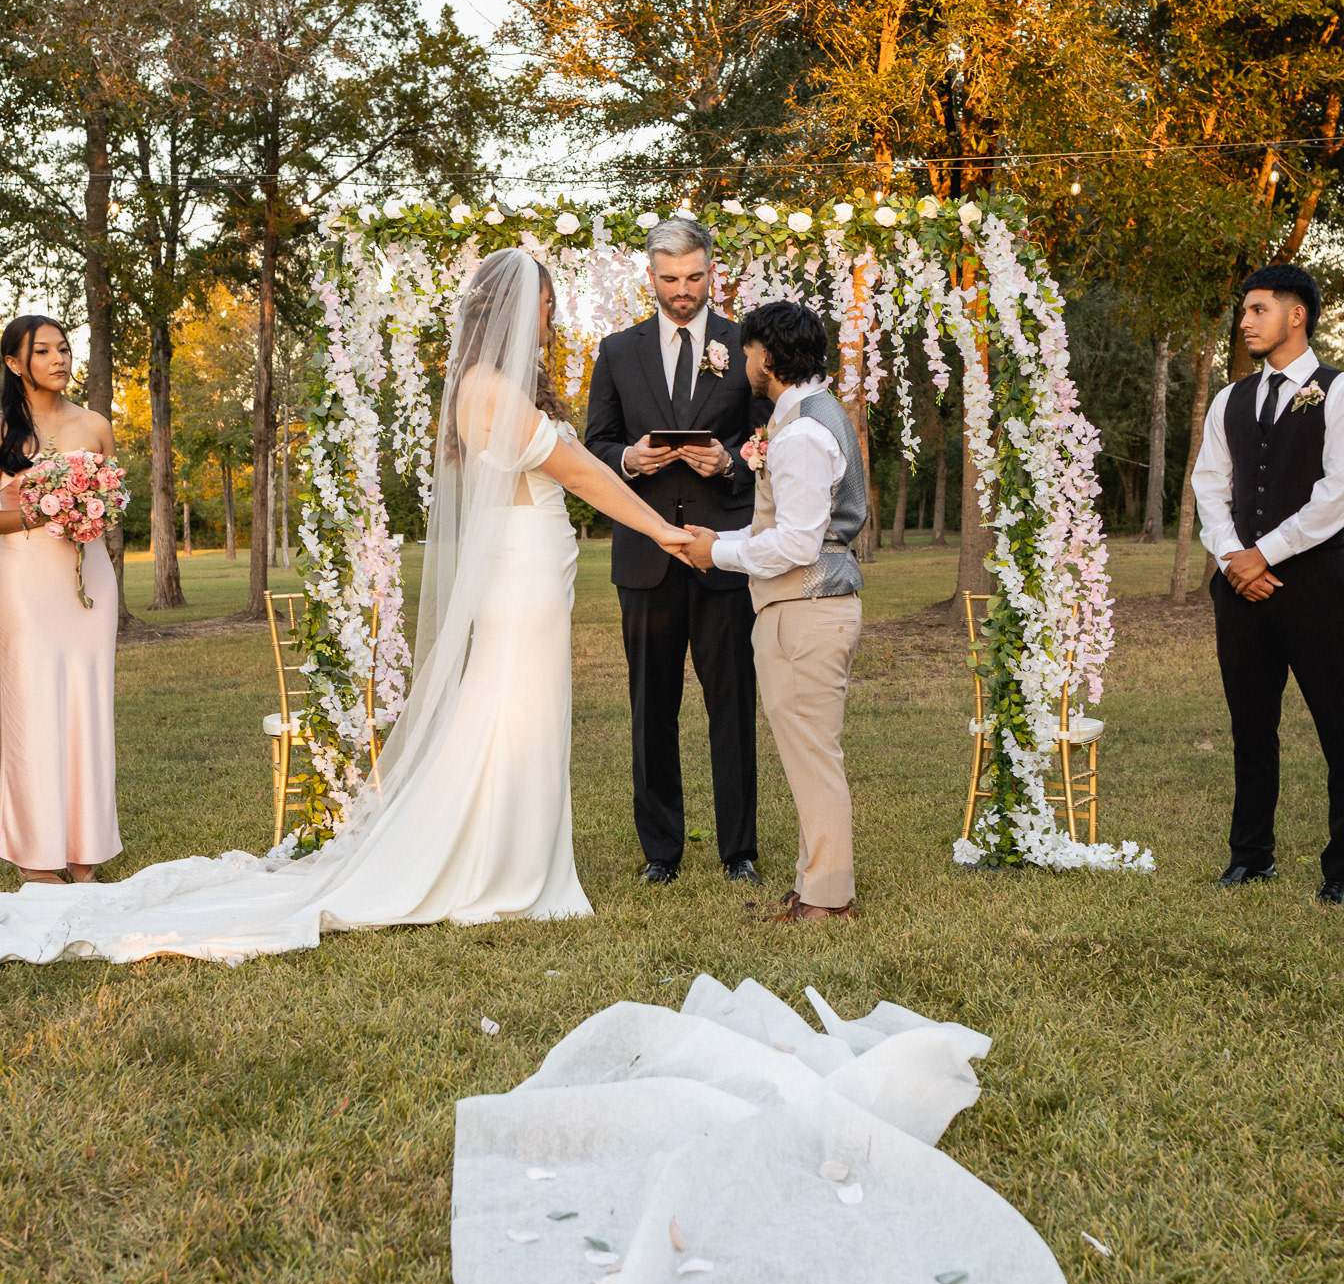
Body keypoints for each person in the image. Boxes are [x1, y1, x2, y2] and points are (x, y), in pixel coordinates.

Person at [0, 251, 691, 965]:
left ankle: (509, 851)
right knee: (516, 710)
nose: (552, 319)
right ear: (515, 310)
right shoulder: (490, 388)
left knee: (513, 710)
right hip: (522, 570)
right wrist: (663, 531)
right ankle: (502, 866)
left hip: (525, 565)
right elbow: (580, 473)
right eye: (545, 305)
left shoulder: (487, 383)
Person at [585, 218, 766, 884]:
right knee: (650, 709)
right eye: (669, 279)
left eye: (693, 277)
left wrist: (732, 462)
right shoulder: (617, 351)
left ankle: (738, 851)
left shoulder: (745, 345)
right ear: (650, 277)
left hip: (724, 555)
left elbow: (767, 436)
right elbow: (594, 442)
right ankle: (660, 852)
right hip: (645, 556)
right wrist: (628, 459)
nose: (682, 290)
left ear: (712, 271)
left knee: (733, 707)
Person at [682, 299, 867, 923]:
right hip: (806, 609)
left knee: (813, 758)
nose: (743, 364)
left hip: (805, 611)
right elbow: (791, 530)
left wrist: (717, 552)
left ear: (765, 356)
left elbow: (796, 544)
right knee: (808, 754)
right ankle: (815, 882)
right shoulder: (808, 417)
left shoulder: (804, 435)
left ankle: (828, 898)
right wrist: (723, 541)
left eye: (747, 353)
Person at [1192, 264, 1344, 906]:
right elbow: (1210, 484)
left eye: (1258, 309)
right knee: (1251, 726)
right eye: (1244, 311)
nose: (1244, 321)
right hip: (1240, 591)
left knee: (1342, 729)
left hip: (1316, 585)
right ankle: (1251, 857)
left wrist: (1261, 554)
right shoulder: (1229, 399)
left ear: (1297, 315)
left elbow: (1340, 492)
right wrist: (1232, 557)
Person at [0, 314, 121, 886]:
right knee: (33, 711)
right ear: (14, 363)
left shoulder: (95, 425)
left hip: (88, 582)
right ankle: (37, 859)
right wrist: (44, 510)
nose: (59, 360)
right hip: (25, 583)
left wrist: (89, 510)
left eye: (64, 349)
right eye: (43, 351)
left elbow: (113, 503)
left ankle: (84, 856)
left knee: (87, 710)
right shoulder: (3, 427)